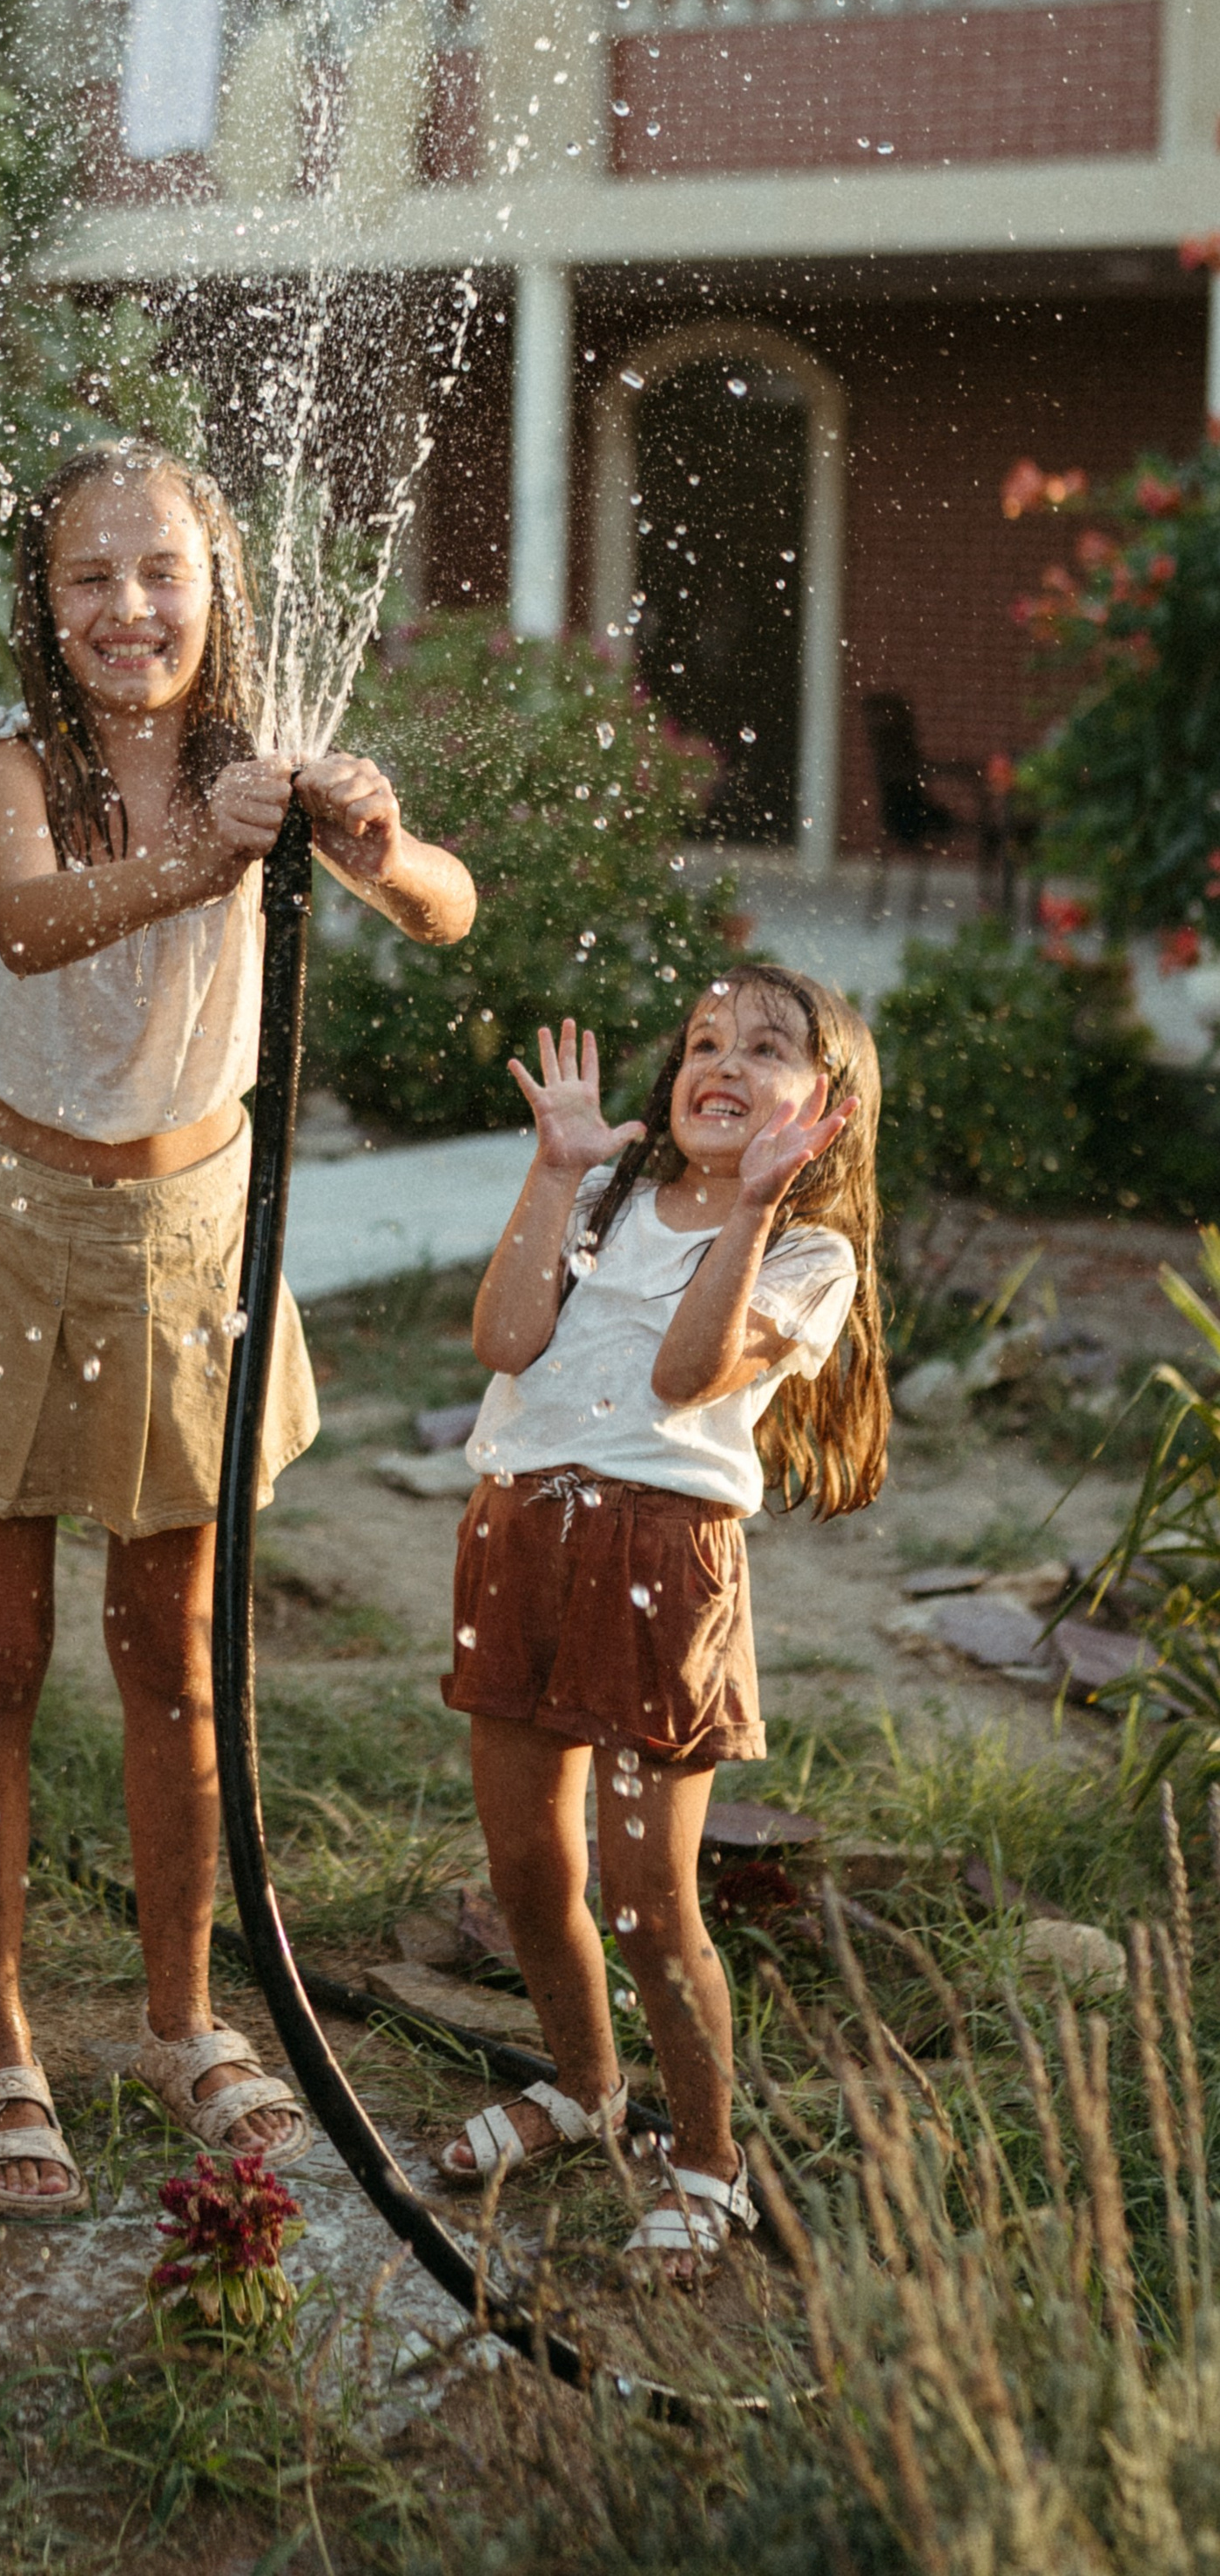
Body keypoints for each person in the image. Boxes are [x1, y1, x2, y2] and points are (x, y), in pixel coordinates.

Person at [0, 438, 475, 2218]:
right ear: (37, 603)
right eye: (85, 579)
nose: (126, 607)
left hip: (193, 1239)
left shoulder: (257, 769)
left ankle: (177, 2018)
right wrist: (205, 863)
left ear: (214, 587)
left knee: (177, 1664)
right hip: (11, 1222)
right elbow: (29, 916)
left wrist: (364, 831)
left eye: (158, 573)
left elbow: (444, 915)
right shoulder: (5, 762)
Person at [437, 970, 885, 2274]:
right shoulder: (601, 1195)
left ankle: (709, 2160)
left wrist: (748, 1207)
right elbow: (505, 1339)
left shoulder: (808, 1254)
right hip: (523, 1536)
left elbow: (687, 1375)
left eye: (765, 1047)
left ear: (829, 1109)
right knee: (527, 1862)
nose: (721, 1061)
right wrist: (551, 1170)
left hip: (657, 1567)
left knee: (647, 1899)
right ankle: (585, 2086)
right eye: (703, 1040)